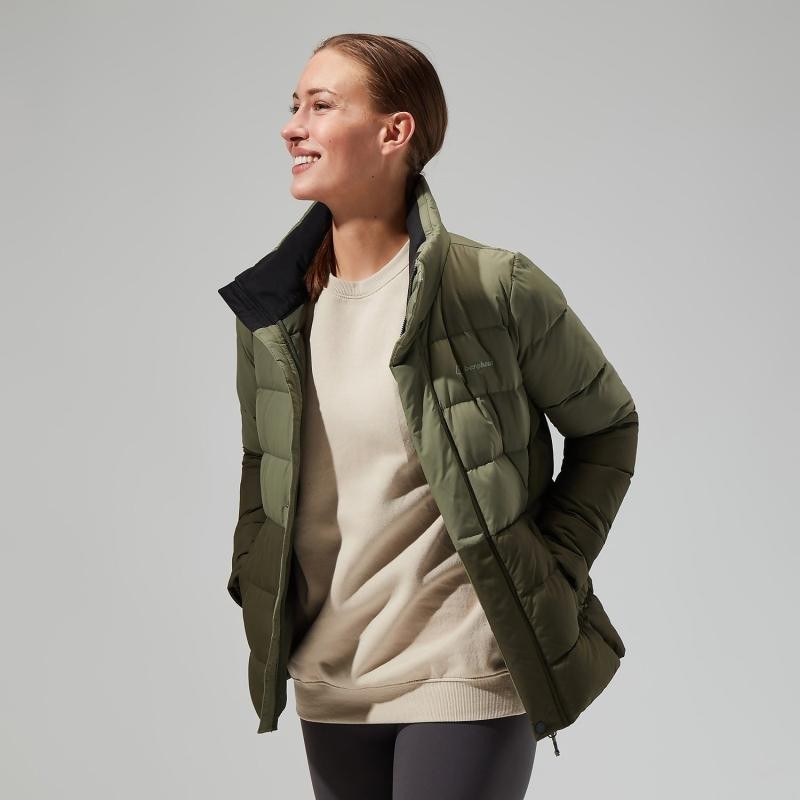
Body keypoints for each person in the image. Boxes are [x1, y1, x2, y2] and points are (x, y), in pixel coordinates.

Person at [217, 32, 639, 800]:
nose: (292, 127)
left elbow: (608, 425)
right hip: (331, 676)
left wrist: (551, 566)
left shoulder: (492, 288)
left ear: (394, 132)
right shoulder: (272, 312)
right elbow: (262, 461)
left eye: (320, 106)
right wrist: (254, 570)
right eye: (294, 106)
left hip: (464, 667)